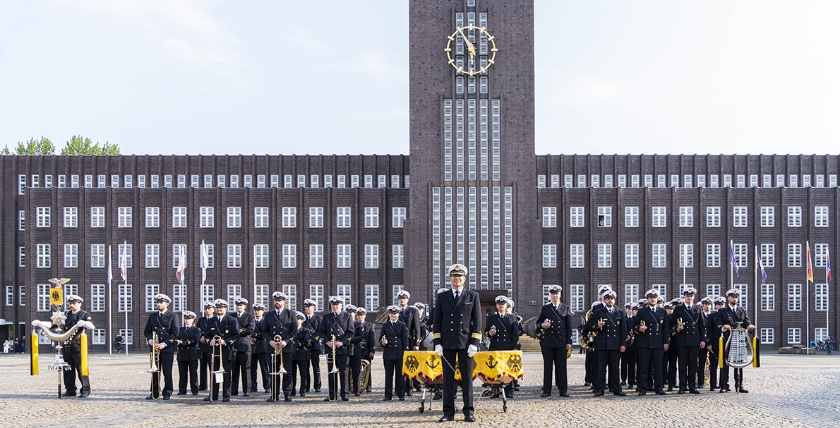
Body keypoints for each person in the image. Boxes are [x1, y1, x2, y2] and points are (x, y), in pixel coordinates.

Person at [433, 264, 482, 423]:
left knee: (467, 379)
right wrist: (437, 342)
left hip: (466, 343)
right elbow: (437, 321)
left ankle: (468, 411)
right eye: (454, 276)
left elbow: (477, 321)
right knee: (448, 379)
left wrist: (475, 342)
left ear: (465, 279)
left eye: (460, 276)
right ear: (450, 279)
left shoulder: (472, 296)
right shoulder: (442, 296)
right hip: (447, 343)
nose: (457, 279)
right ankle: (448, 412)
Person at [585, 290, 627, 396]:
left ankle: (617, 389)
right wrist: (597, 326)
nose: (610, 300)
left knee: (615, 368)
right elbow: (589, 325)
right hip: (602, 344)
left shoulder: (620, 312)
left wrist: (623, 344)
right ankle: (600, 389)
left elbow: (623, 330)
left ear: (614, 300)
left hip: (615, 345)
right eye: (608, 299)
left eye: (612, 299)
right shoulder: (598, 311)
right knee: (601, 368)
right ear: (604, 300)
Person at [52, 295, 94, 398]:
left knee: (81, 369)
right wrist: (41, 324)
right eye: (70, 304)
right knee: (68, 370)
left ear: (80, 303)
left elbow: (92, 326)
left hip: (78, 346)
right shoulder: (66, 314)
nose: (71, 305)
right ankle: (70, 389)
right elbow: (54, 324)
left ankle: (85, 389)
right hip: (66, 346)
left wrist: (84, 323)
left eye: (73, 303)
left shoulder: (83, 314)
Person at [536, 284, 573, 397]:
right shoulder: (546, 308)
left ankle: (563, 390)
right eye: (553, 294)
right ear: (550, 295)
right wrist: (542, 325)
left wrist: (569, 342)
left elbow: (569, 327)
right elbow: (538, 323)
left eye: (556, 294)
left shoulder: (565, 308)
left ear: (560, 295)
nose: (555, 296)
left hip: (561, 341)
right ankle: (547, 390)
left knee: (561, 367)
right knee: (548, 367)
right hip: (548, 342)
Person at [316, 296, 354, 401]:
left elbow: (350, 332)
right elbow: (322, 332)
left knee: (344, 372)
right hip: (330, 348)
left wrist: (342, 342)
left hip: (342, 349)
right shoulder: (326, 317)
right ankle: (332, 394)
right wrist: (326, 342)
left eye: (337, 305)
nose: (335, 307)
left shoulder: (347, 317)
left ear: (341, 305)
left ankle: (344, 393)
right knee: (331, 372)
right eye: (333, 305)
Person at [633, 289, 670, 396]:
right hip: (645, 342)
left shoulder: (662, 311)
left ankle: (659, 388)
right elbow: (634, 325)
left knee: (658, 368)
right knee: (644, 368)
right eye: (650, 298)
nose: (653, 299)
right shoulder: (642, 311)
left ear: (657, 299)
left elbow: (666, 328)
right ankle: (643, 388)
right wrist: (639, 328)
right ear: (647, 299)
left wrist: (666, 342)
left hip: (658, 343)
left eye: (654, 298)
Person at [717, 289, 755, 393]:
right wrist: (724, 327)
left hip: (739, 340)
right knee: (725, 363)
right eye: (732, 297)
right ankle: (724, 385)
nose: (734, 299)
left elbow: (746, 323)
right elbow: (718, 324)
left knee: (739, 363)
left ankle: (739, 385)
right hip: (727, 340)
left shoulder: (742, 310)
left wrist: (749, 326)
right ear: (728, 298)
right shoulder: (722, 311)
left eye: (736, 297)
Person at [202, 299, 239, 403]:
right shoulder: (211, 320)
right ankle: (213, 394)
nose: (219, 309)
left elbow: (236, 335)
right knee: (214, 372)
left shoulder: (231, 320)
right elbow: (207, 334)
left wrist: (225, 341)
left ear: (225, 309)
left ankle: (226, 394)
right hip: (214, 351)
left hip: (226, 350)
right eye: (217, 308)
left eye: (221, 308)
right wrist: (210, 340)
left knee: (226, 373)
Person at [143, 293, 179, 400]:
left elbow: (175, 333)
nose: (158, 304)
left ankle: (167, 391)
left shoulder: (173, 316)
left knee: (167, 371)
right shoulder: (152, 316)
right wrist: (150, 340)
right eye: (157, 303)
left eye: (161, 303)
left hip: (166, 348)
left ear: (167, 304)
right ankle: (154, 392)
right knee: (154, 371)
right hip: (154, 348)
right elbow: (147, 331)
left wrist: (165, 343)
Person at [263, 291, 297, 402]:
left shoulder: (290, 314)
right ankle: (274, 394)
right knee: (273, 371)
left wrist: (286, 341)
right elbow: (264, 331)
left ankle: (287, 393)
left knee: (287, 371)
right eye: (275, 300)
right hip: (272, 347)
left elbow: (294, 331)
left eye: (279, 300)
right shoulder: (268, 315)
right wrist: (270, 341)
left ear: (284, 301)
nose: (277, 302)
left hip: (286, 347)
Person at [671, 288, 705, 394]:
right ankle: (682, 386)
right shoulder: (678, 308)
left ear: (693, 297)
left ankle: (692, 386)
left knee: (693, 365)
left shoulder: (698, 308)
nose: (689, 298)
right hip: (683, 340)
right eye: (687, 296)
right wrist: (677, 328)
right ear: (684, 297)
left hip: (694, 340)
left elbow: (701, 325)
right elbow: (672, 323)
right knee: (682, 364)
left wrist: (703, 340)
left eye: (691, 296)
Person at [484, 295, 519, 398]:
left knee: (508, 369)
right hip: (495, 346)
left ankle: (509, 390)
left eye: (503, 304)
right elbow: (486, 331)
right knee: (496, 369)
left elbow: (515, 334)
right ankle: (495, 389)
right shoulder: (492, 317)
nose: (501, 306)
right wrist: (490, 333)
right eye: (499, 304)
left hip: (508, 346)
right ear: (496, 306)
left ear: (506, 305)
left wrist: (515, 347)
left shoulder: (512, 317)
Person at [380, 305, 409, 401]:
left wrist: (405, 352)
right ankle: (388, 395)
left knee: (400, 374)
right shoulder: (385, 325)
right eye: (392, 314)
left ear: (398, 315)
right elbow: (381, 338)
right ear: (389, 315)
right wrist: (383, 342)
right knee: (388, 375)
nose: (393, 316)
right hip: (388, 353)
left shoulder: (402, 325)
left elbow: (405, 340)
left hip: (399, 352)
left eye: (395, 314)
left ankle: (401, 394)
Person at [397, 290, 421, 396]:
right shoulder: (395, 311)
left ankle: (409, 388)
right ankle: (399, 388)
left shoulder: (413, 311)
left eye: (404, 298)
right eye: (400, 298)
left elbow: (417, 328)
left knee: (410, 365)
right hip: (398, 342)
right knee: (399, 366)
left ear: (407, 299)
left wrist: (417, 343)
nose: (402, 300)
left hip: (410, 341)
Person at [230, 297, 255, 397]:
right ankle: (234, 390)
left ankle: (247, 390)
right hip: (234, 346)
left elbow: (250, 330)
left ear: (245, 306)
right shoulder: (231, 316)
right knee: (234, 370)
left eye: (240, 305)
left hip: (245, 346)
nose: (238, 307)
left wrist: (237, 331)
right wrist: (240, 330)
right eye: (237, 305)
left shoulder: (249, 316)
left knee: (246, 370)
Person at [175, 311, 201, 395]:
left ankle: (194, 389)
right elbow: (176, 338)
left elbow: (195, 340)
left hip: (192, 353)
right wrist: (177, 342)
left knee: (193, 373)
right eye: (185, 319)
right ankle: (182, 390)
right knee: (182, 373)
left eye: (189, 319)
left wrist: (183, 342)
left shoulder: (196, 329)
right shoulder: (180, 329)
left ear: (193, 319)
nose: (187, 321)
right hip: (182, 353)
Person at [301, 299, 322, 393]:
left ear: (313, 307)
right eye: (306, 307)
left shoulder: (318, 319)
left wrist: (312, 340)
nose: (307, 309)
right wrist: (306, 341)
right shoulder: (302, 319)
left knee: (316, 366)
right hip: (305, 346)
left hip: (315, 346)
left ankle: (317, 385)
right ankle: (306, 386)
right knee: (305, 367)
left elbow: (320, 331)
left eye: (309, 307)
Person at [250, 303, 271, 394]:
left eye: (259, 310)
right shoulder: (251, 321)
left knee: (264, 368)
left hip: (263, 347)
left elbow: (266, 333)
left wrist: (256, 336)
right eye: (255, 310)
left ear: (262, 311)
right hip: (252, 348)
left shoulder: (265, 321)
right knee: (252, 368)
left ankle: (267, 386)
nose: (257, 312)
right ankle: (253, 386)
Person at [291, 311, 312, 397]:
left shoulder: (305, 330)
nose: (297, 321)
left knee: (303, 373)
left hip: (302, 353)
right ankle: (292, 390)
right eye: (295, 319)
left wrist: (295, 343)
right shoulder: (291, 330)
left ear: (302, 320)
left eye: (298, 319)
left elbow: (305, 341)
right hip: (292, 354)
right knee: (292, 373)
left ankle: (302, 390)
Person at [355, 308, 376, 393]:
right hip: (356, 350)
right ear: (356, 316)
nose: (360, 317)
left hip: (366, 350)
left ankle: (368, 386)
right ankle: (357, 386)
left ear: (365, 315)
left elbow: (372, 340)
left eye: (362, 315)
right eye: (359, 315)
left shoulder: (369, 325)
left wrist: (372, 351)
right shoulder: (353, 325)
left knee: (367, 369)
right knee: (356, 369)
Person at [706, 296, 725, 391]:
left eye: (722, 304)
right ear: (715, 306)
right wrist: (709, 343)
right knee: (713, 365)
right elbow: (709, 331)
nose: (720, 306)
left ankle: (723, 384)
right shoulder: (712, 316)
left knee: (724, 365)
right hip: (714, 344)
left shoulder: (726, 315)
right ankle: (713, 385)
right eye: (718, 305)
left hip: (725, 344)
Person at [197, 301, 215, 391]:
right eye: (205, 309)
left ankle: (213, 384)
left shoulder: (215, 320)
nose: (207, 310)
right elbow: (197, 330)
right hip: (202, 346)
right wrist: (200, 338)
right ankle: (203, 385)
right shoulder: (201, 320)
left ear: (213, 310)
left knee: (211, 366)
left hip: (211, 346)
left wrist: (207, 339)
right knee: (202, 367)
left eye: (209, 309)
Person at [696, 296, 713, 389]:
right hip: (701, 343)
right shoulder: (699, 315)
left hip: (710, 343)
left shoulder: (713, 316)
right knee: (700, 364)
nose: (707, 306)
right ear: (702, 306)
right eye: (705, 304)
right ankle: (700, 382)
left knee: (712, 364)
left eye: (709, 304)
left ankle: (713, 382)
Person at [620, 303, 637, 389]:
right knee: (624, 363)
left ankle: (631, 381)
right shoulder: (623, 318)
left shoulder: (635, 319)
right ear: (626, 309)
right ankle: (623, 379)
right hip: (626, 344)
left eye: (631, 309)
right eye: (628, 308)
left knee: (632, 364)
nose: (630, 310)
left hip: (633, 345)